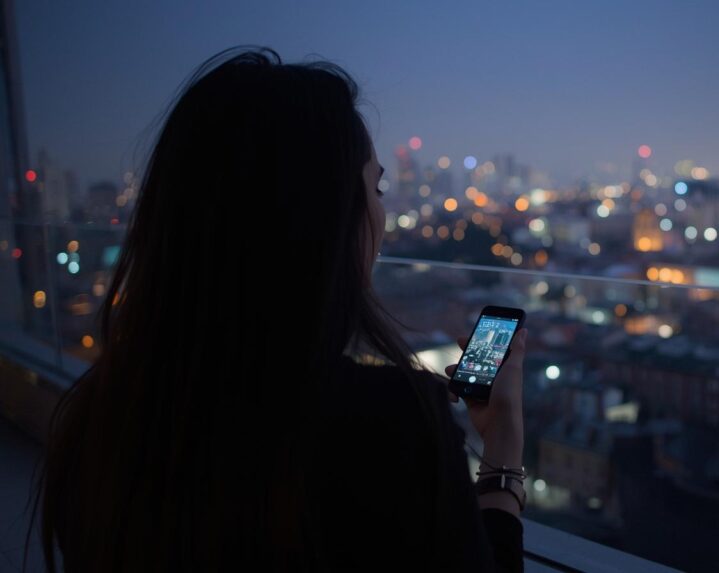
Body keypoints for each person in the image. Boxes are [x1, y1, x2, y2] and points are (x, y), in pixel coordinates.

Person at [32, 47, 526, 572]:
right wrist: (503, 448)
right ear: (324, 219)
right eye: (375, 187)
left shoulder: (101, 417)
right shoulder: (391, 430)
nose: (381, 213)